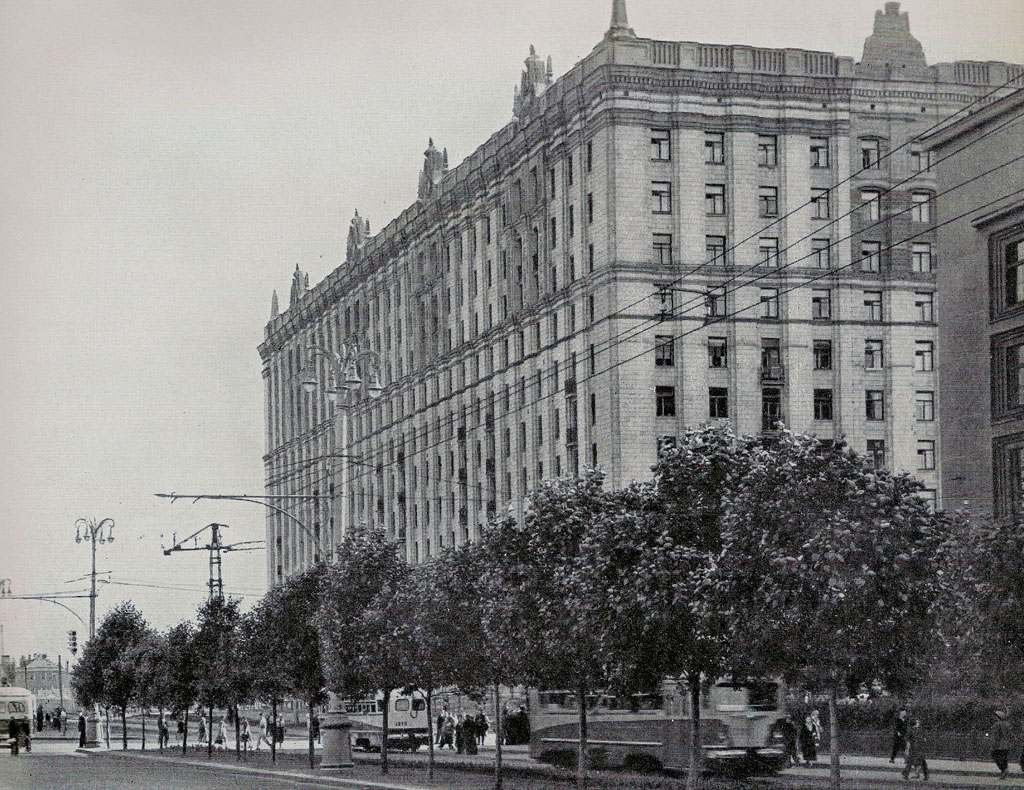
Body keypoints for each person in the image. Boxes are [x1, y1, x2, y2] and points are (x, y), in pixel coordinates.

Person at [992, 707, 1012, 780]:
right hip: (1006, 744)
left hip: (999, 745)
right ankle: (1004, 770)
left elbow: (996, 736)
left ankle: (1003, 770)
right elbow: (1010, 734)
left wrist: (994, 744)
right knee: (1004, 758)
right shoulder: (1007, 724)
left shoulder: (996, 724)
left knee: (996, 756)